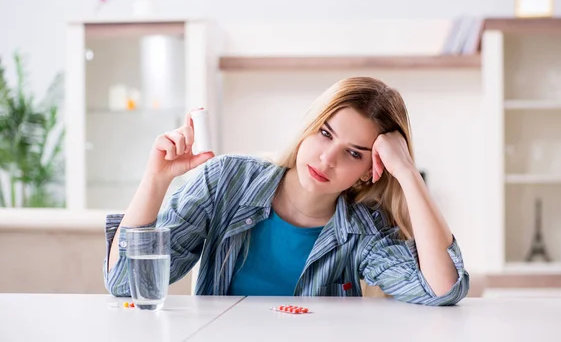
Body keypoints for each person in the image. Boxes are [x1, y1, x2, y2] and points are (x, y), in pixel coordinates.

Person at [104, 76, 470, 306]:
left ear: (367, 173)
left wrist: (407, 171)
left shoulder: (364, 229)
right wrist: (156, 180)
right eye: (325, 133)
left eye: (353, 153)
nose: (327, 159)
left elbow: (443, 289)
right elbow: (125, 283)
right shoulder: (225, 181)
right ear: (309, 126)